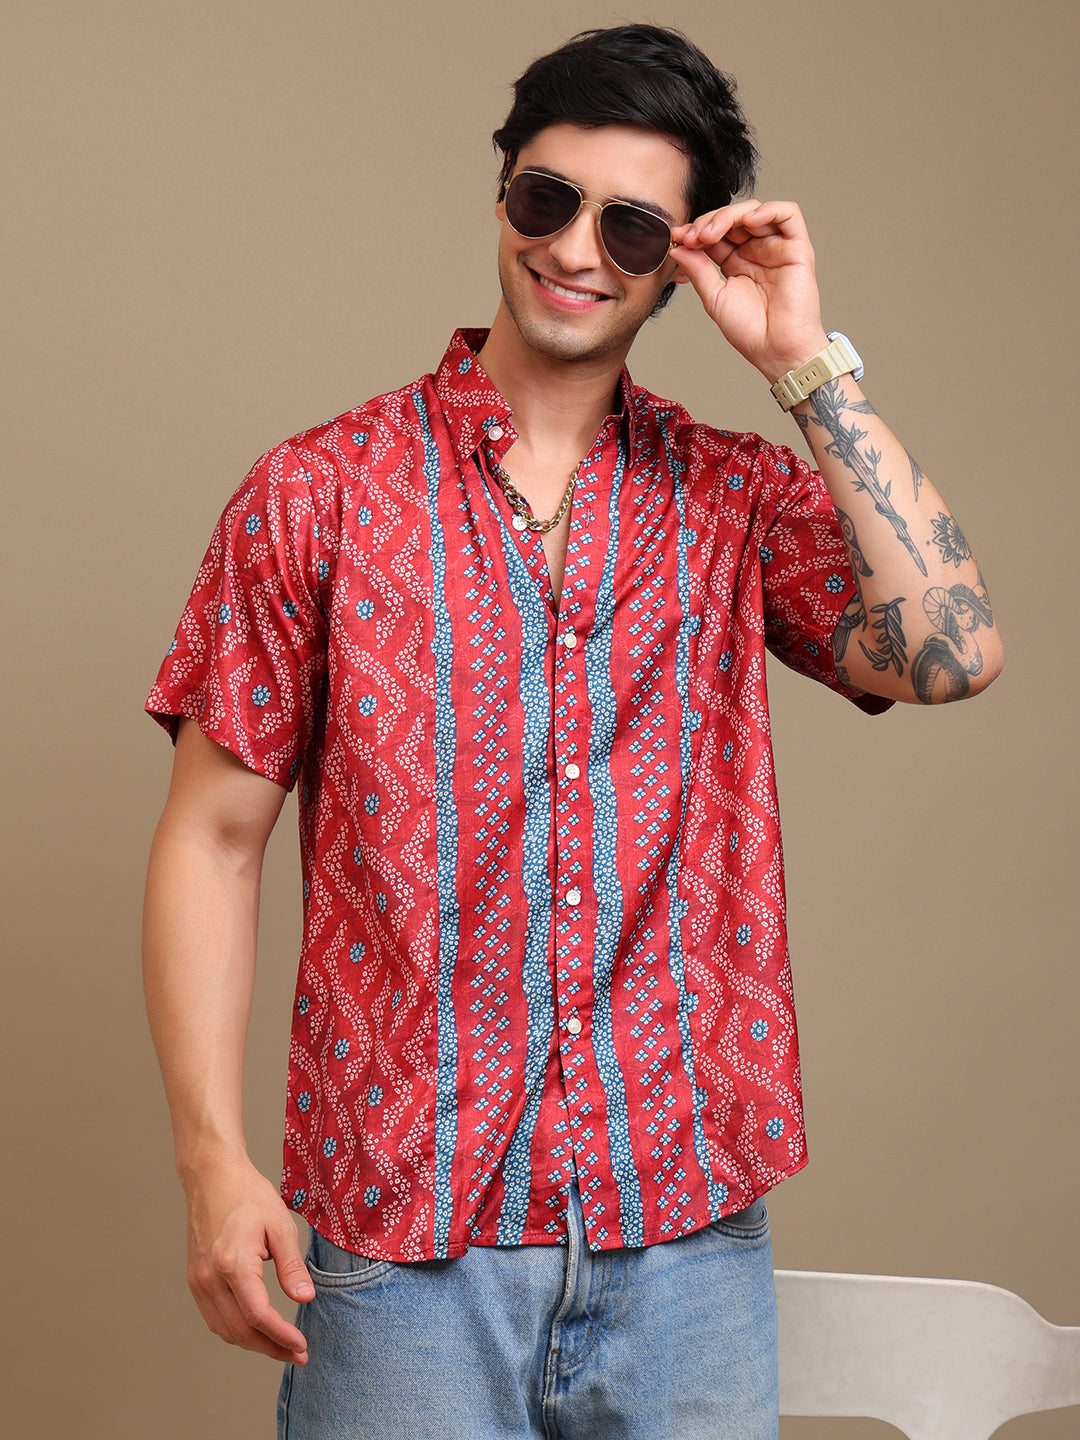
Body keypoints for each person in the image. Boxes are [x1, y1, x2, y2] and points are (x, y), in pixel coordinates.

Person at [142, 23, 1003, 1439]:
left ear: (680, 253)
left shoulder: (732, 502)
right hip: (398, 1256)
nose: (577, 247)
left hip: (685, 1248)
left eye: (632, 221)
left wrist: (804, 361)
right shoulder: (317, 496)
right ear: (502, 195)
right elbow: (210, 842)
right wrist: (212, 1162)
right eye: (548, 198)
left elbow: (954, 652)